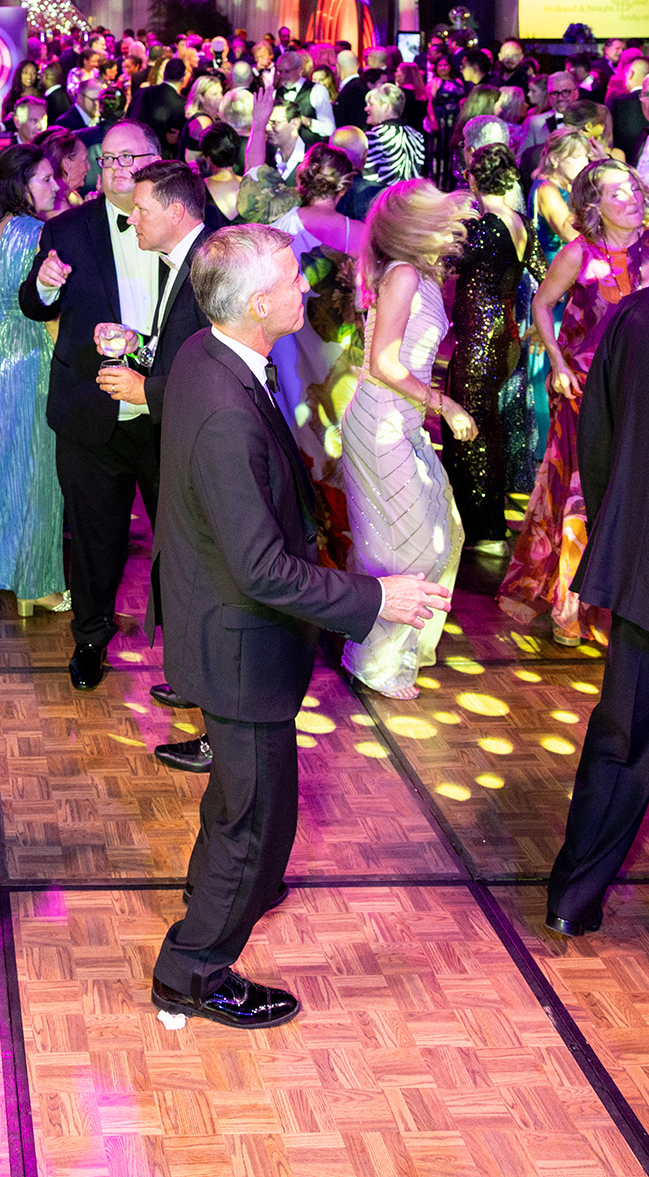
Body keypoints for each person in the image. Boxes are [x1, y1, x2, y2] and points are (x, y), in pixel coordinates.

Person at [150, 223, 448, 1029]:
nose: (304, 290)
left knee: (244, 814)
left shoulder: (208, 356)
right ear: (256, 304)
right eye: (290, 280)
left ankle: (227, 887)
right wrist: (376, 599)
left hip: (229, 633)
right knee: (254, 824)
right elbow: (262, 569)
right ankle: (193, 968)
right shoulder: (225, 406)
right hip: (240, 643)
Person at [19, 123, 178, 689]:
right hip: (90, 412)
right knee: (93, 539)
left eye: (128, 157)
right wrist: (43, 284)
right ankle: (89, 639)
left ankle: (185, 660)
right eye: (106, 158)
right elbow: (34, 306)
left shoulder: (185, 226)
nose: (114, 167)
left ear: (156, 161)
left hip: (168, 413)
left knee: (183, 542)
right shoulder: (67, 229)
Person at [499, 161, 649, 647]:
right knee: (582, 495)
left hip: (639, 393)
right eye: (618, 194)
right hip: (586, 390)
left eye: (634, 190)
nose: (632, 199)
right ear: (593, 206)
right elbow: (542, 304)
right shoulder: (577, 254)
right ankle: (570, 604)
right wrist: (560, 363)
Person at [340, 181, 474, 699]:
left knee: (443, 531)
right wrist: (446, 403)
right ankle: (372, 658)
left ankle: (401, 647)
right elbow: (384, 363)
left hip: (400, 421)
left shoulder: (415, 273)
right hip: (381, 424)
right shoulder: (401, 275)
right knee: (411, 547)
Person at [544, 287, 649, 936]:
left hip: (645, 567)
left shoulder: (635, 315)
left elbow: (599, 439)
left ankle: (572, 898)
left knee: (623, 737)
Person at [0, 144, 69, 615]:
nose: (55, 186)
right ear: (20, 185)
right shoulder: (39, 233)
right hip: (31, 352)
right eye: (45, 179)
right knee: (36, 466)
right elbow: (46, 311)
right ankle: (36, 583)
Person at [267, 145, 365, 569]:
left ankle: (306, 552)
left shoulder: (277, 232)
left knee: (300, 440)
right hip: (345, 356)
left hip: (292, 358)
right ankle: (351, 546)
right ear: (344, 185)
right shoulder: (362, 235)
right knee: (344, 447)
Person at [441, 144, 542, 551]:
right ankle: (487, 525)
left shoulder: (486, 227)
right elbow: (546, 275)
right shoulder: (520, 222)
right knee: (487, 428)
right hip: (505, 338)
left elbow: (445, 262)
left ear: (474, 178)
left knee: (471, 431)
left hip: (481, 341)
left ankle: (484, 531)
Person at [362, 81, 427, 190]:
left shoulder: (376, 135)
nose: (366, 108)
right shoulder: (416, 135)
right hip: (410, 197)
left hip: (385, 200)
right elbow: (417, 175)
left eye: (371, 104)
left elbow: (369, 178)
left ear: (386, 107)